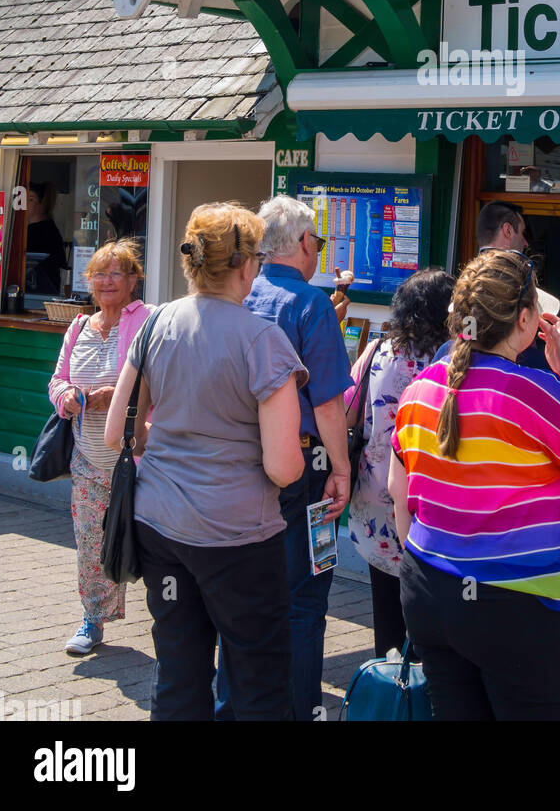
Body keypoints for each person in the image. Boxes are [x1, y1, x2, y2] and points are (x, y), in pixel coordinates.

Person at [389, 250, 560, 721]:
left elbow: (399, 494)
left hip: (430, 592)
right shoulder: (535, 393)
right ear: (525, 319)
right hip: (522, 607)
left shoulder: (420, 389)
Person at [105, 203, 307, 721]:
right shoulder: (263, 341)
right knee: (258, 678)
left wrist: (176, 437)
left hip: (159, 526)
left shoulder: (156, 324)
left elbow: (117, 433)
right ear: (245, 266)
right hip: (237, 538)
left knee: (179, 668)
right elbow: (284, 468)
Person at [215, 194, 353, 722]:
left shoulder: (239, 294)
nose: (318, 250)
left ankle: (233, 708)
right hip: (303, 468)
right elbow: (327, 402)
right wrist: (340, 469)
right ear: (300, 242)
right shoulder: (310, 303)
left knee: (242, 596)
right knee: (303, 598)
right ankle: (299, 711)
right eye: (317, 240)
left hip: (242, 461)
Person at [47, 239, 152, 656]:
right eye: (99, 273)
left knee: (153, 543)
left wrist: (123, 399)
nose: (106, 281)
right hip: (88, 458)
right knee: (91, 544)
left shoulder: (147, 321)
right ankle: (93, 619)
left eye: (116, 273)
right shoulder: (78, 327)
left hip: (141, 460)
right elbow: (56, 380)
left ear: (132, 280)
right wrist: (68, 395)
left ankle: (175, 622)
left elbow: (161, 382)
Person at [345, 267, 455, 658]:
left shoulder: (377, 350)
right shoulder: (450, 365)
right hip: (425, 503)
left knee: (386, 608)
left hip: (373, 496)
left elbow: (348, 406)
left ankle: (387, 684)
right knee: (429, 615)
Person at [433, 201, 554, 371]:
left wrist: (466, 348)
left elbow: (469, 335)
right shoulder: (534, 365)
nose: (526, 243)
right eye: (523, 233)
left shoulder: (470, 279)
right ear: (508, 230)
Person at [27, 183, 68, 296]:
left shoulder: (44, 231)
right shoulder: (35, 229)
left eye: (30, 199)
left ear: (43, 203)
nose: (25, 204)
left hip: (41, 293)